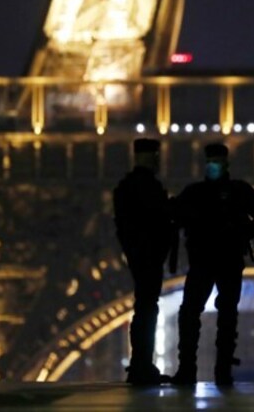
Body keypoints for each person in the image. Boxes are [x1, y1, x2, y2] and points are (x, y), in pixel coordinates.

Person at [170, 143, 254, 386]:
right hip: (218, 259)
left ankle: (191, 369)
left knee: (198, 313)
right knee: (216, 314)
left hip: (213, 259)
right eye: (210, 161)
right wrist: (242, 233)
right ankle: (219, 370)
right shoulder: (237, 191)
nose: (212, 165)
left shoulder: (198, 193)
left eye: (215, 161)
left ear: (225, 163)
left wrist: (239, 233)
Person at [113, 138, 176, 385]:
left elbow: (123, 226)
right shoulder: (150, 187)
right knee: (147, 308)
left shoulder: (126, 187)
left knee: (145, 307)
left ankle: (140, 364)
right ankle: (142, 365)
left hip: (139, 253)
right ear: (152, 158)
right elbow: (161, 218)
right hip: (149, 254)